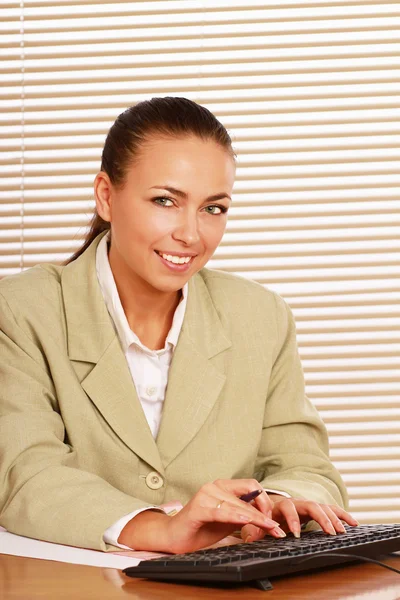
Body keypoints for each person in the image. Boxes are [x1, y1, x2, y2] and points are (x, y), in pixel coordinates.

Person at [0, 97, 357, 554]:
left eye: (214, 208)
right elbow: (24, 473)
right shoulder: (23, 310)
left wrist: (279, 502)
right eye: (165, 201)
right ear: (106, 196)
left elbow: (306, 464)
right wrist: (161, 529)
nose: (191, 235)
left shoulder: (260, 316)